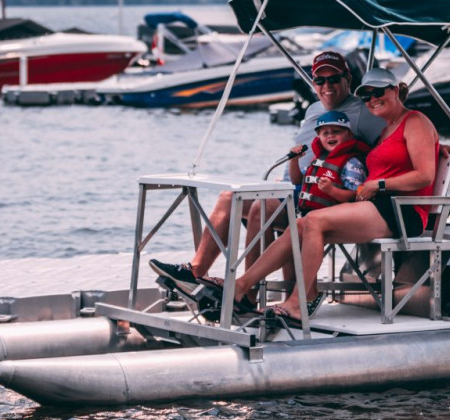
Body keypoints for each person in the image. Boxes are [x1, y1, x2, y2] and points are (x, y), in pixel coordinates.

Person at [204, 67, 441, 326]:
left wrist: (380, 184)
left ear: (395, 90)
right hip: (377, 205)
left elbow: (425, 175)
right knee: (302, 224)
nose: (372, 99)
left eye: (378, 92)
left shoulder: (416, 121)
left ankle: (298, 302)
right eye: (367, 96)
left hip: (402, 210)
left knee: (314, 221)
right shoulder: (385, 130)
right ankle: (242, 287)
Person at [148, 51, 385, 295]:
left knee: (262, 208)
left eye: (334, 79)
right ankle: (195, 271)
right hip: (291, 186)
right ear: (313, 83)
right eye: (320, 80)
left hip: (321, 196)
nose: (327, 86)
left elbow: (384, 152)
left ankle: (247, 295)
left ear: (347, 78)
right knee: (229, 197)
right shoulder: (313, 109)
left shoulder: (363, 114)